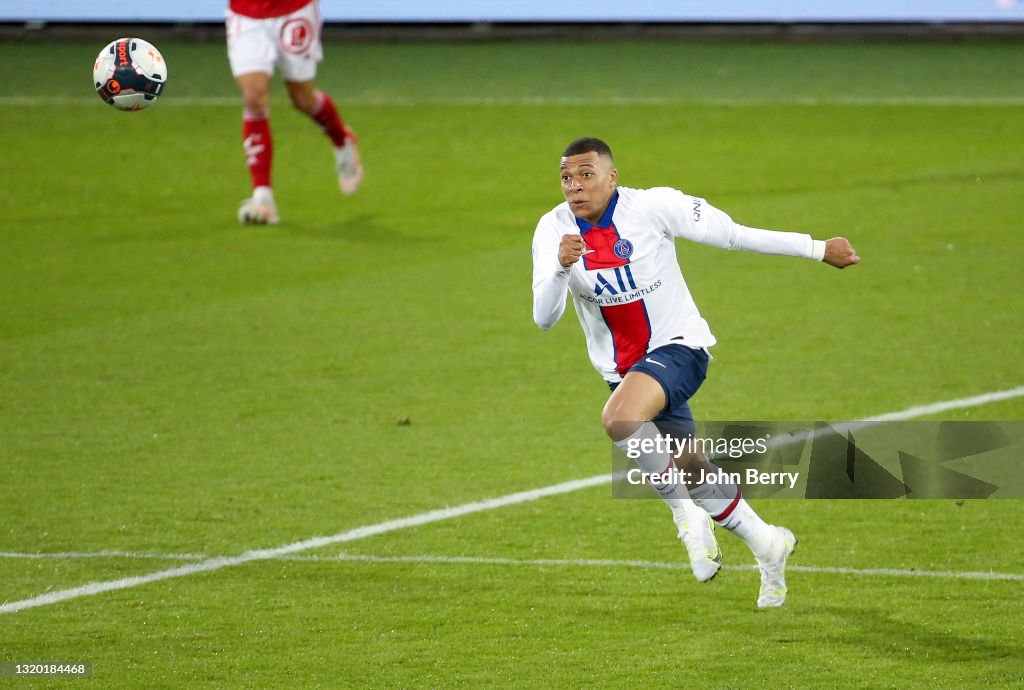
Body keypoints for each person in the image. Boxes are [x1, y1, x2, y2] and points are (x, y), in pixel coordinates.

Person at [531, 137, 859, 607]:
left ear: (611, 176)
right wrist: (562, 267)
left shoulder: (654, 207)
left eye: (586, 174)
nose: (575, 186)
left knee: (619, 420)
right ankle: (769, 544)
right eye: (566, 177)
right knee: (691, 467)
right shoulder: (552, 230)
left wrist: (816, 248)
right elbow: (544, 318)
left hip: (680, 348)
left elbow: (734, 234)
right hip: (624, 371)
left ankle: (684, 514)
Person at [226, 0, 363, 225]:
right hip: (246, 13)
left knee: (303, 99)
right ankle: (263, 197)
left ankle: (342, 138)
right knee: (254, 97)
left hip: (294, 9)